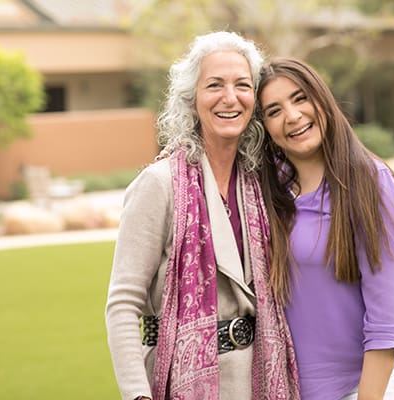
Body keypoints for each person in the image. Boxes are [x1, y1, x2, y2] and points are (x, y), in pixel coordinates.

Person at [104, 32, 300, 400]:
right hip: (183, 382)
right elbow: (122, 303)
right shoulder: (159, 184)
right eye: (214, 85)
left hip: (260, 380)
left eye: (243, 85)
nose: (230, 97)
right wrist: (137, 395)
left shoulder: (262, 181)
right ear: (191, 99)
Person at [256, 57, 394, 400]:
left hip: (362, 391)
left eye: (300, 98)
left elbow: (386, 327)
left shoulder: (370, 183)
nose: (293, 116)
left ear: (322, 100)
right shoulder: (267, 194)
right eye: (274, 111)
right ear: (264, 127)